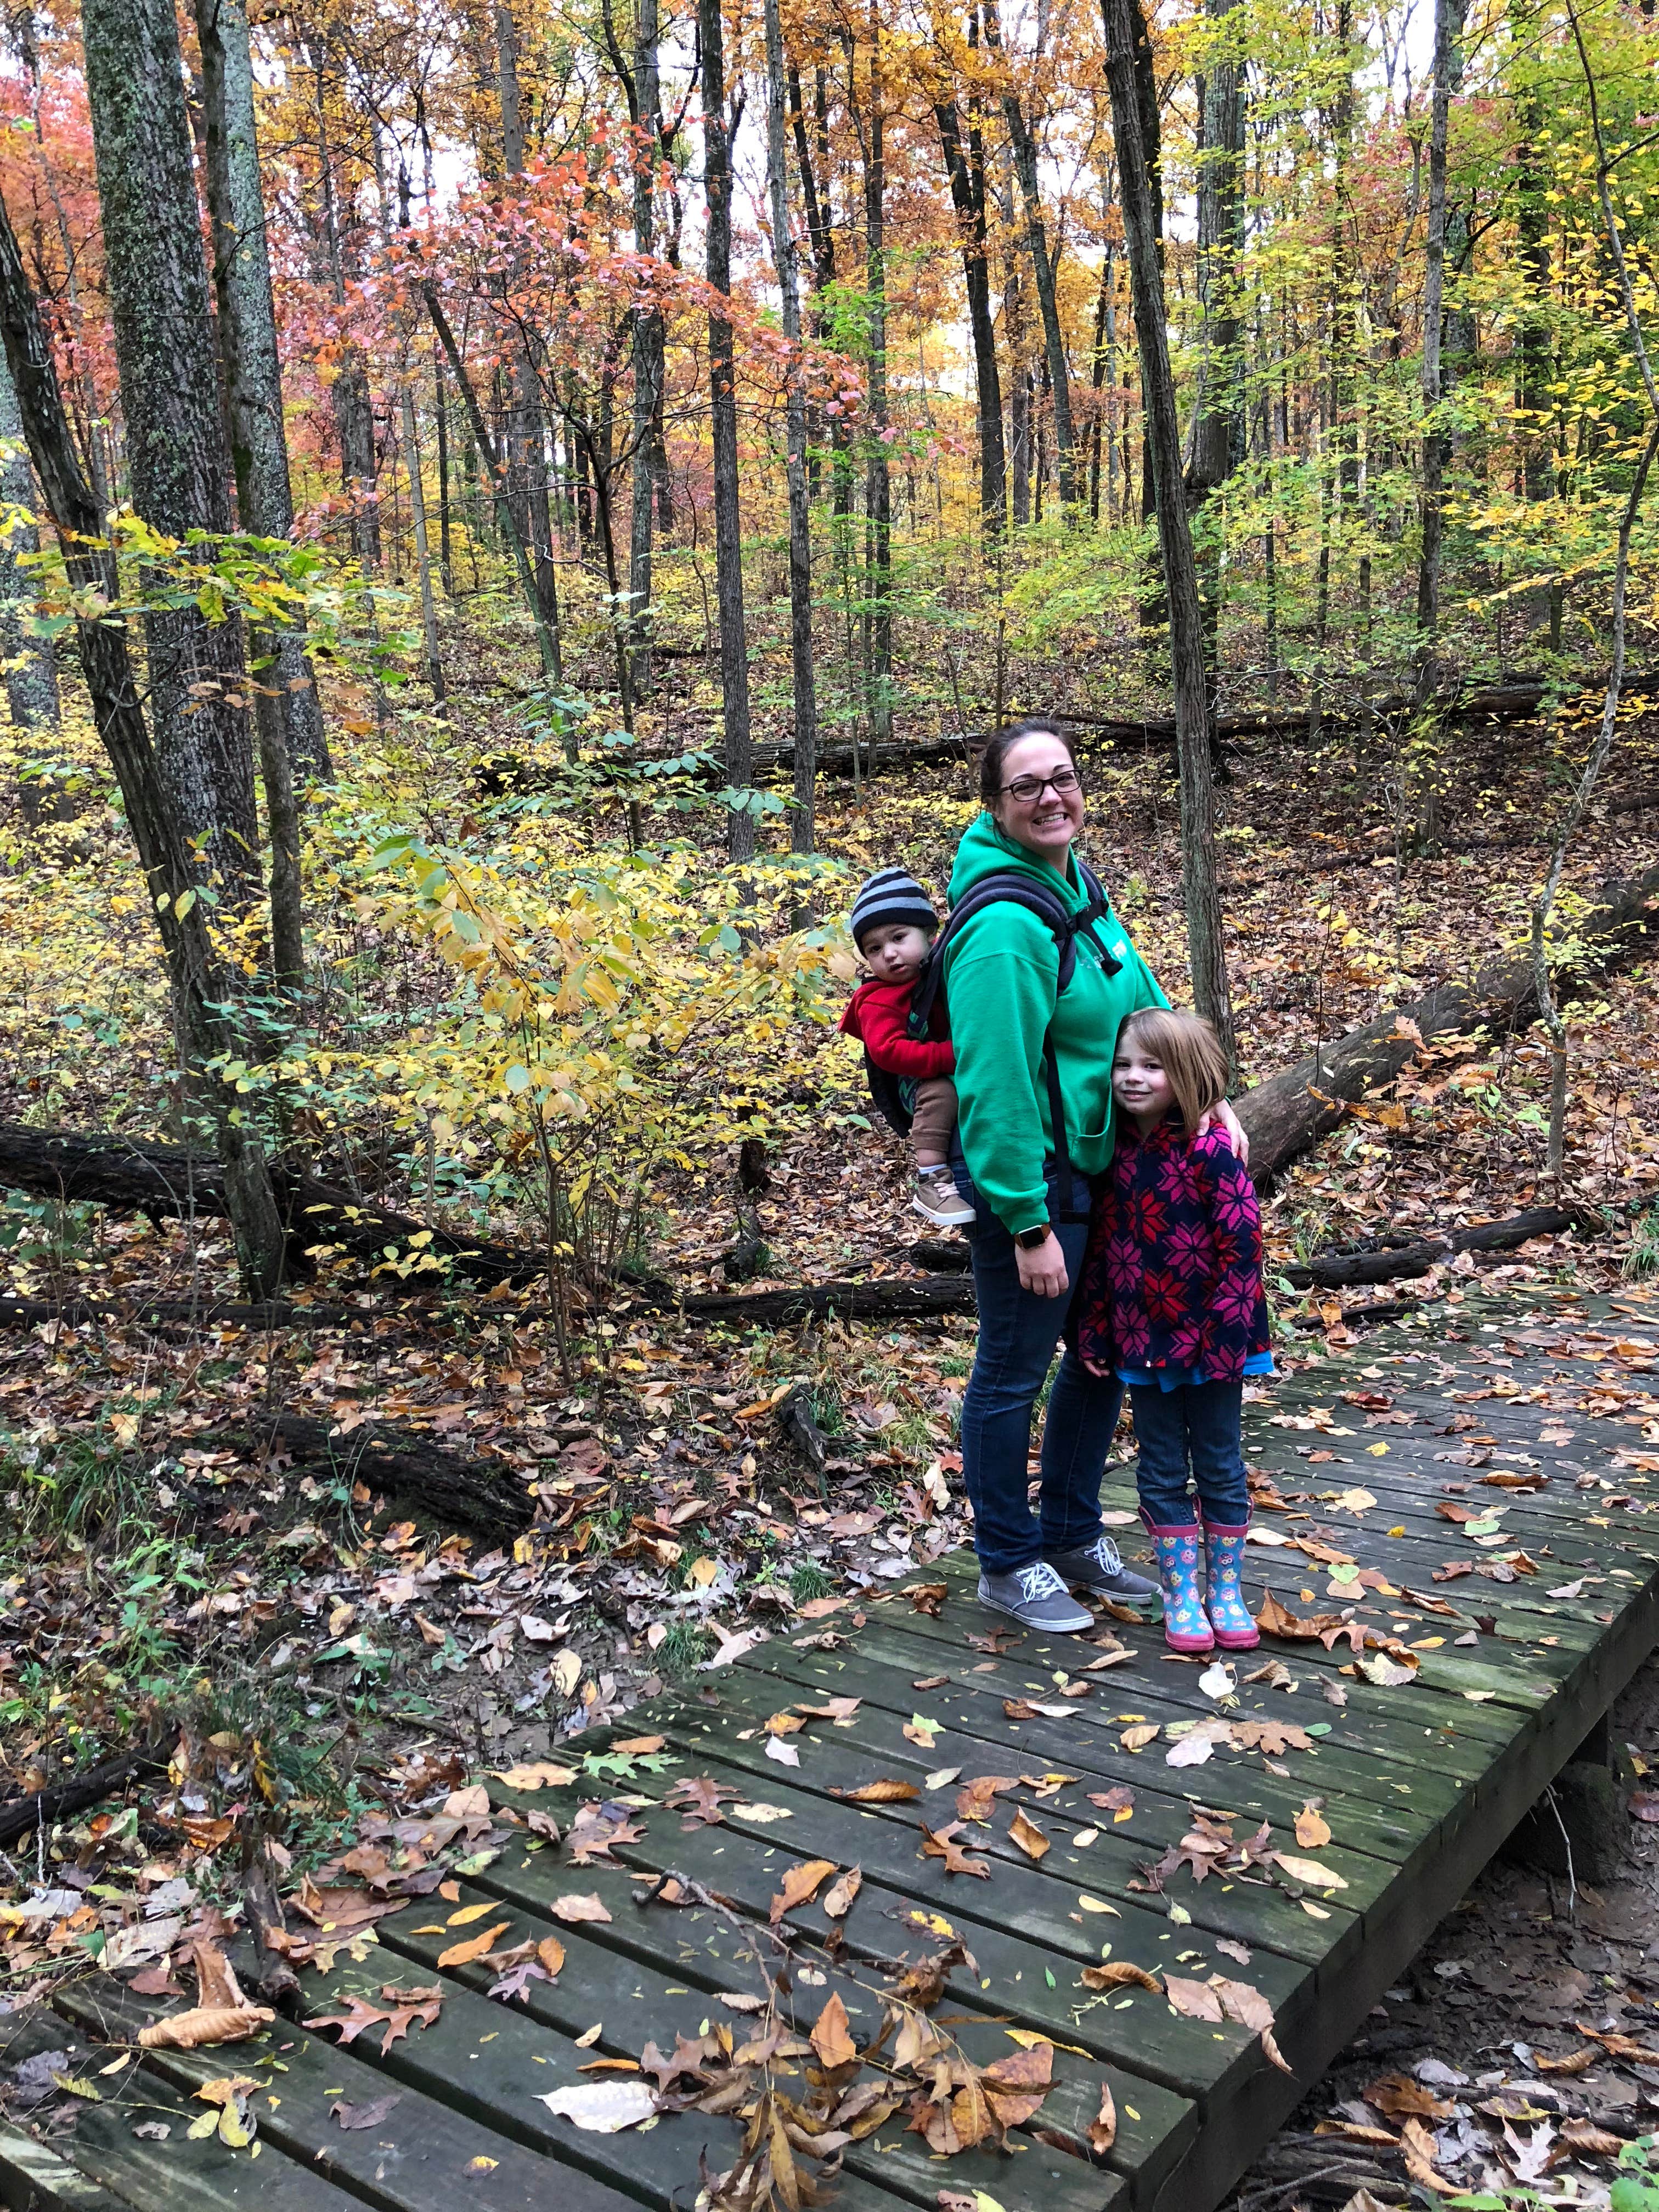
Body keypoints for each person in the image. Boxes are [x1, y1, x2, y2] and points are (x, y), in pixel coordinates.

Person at [942, 717, 1249, 1632]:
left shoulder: (1073, 887)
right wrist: (1027, 1225)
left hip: (1096, 1180)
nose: (1050, 797)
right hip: (1032, 1184)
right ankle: (1006, 1559)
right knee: (1009, 1372)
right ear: (994, 806)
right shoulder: (1004, 927)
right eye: (1026, 785)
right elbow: (991, 1086)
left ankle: (1070, 1535)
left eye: (1062, 778)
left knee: (1095, 1357)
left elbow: (1144, 1001)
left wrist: (1208, 1094)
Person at [1076, 1008, 1273, 1655]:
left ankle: (1226, 1592)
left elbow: (1243, 1247)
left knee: (1218, 1460)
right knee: (1160, 1465)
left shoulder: (1212, 1149)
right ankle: (1182, 1595)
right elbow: (1104, 1250)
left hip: (1215, 1340)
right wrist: (1097, 1329)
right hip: (1142, 1341)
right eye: (1123, 1064)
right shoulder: (1112, 1156)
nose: (1133, 1078)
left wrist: (1229, 1334)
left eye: (1152, 1066)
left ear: (1184, 1074)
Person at [839, 867, 975, 1231]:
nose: (890, 954)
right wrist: (951, 1055)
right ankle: (932, 1180)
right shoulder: (875, 999)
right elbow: (888, 1052)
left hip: (946, 1063)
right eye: (875, 948)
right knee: (942, 1093)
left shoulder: (943, 971)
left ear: (929, 935)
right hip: (914, 1081)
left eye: (899, 937)